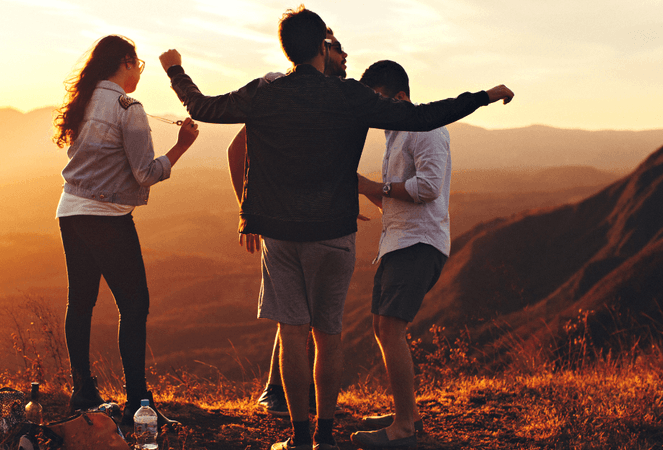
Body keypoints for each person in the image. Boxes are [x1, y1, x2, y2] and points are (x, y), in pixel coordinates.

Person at [160, 6, 513, 449]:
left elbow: (203, 107)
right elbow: (422, 116)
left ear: (287, 48)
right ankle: (326, 438)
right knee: (328, 337)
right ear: (322, 48)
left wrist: (176, 71)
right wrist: (481, 95)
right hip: (334, 233)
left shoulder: (265, 93)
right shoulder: (349, 96)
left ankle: (300, 439)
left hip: (281, 234)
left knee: (292, 337)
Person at [52, 35, 199, 429]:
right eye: (138, 65)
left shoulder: (83, 102)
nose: (139, 73)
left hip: (70, 211)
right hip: (108, 216)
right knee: (134, 306)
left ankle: (82, 390)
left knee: (80, 302)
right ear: (125, 62)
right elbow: (146, 173)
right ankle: (139, 402)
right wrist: (182, 145)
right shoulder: (128, 108)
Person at [227, 27, 348, 418]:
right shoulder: (280, 90)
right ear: (319, 50)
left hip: (311, 219)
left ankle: (291, 400)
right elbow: (237, 147)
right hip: (284, 221)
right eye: (337, 48)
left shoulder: (326, 98)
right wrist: (249, 211)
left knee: (301, 313)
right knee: (295, 314)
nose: (345, 56)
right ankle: (279, 393)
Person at [350, 60, 455, 448]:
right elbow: (397, 196)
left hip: (419, 243)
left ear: (399, 96)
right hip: (398, 241)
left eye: (376, 100)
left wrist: (376, 185)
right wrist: (364, 189)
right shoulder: (396, 134)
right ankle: (404, 414)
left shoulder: (424, 128)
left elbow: (427, 187)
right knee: (382, 327)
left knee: (391, 328)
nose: (372, 111)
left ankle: (404, 429)